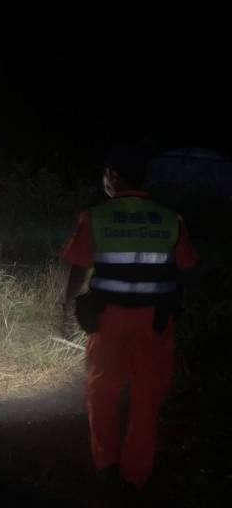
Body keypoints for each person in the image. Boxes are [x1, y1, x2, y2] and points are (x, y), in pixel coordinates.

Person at [60, 145, 198, 495]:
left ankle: (106, 466)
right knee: (147, 397)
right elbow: (186, 268)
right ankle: (136, 477)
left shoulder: (96, 216)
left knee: (102, 391)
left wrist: (65, 306)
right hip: (155, 322)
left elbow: (78, 266)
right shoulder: (171, 218)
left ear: (114, 177)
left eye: (106, 174)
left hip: (109, 320)